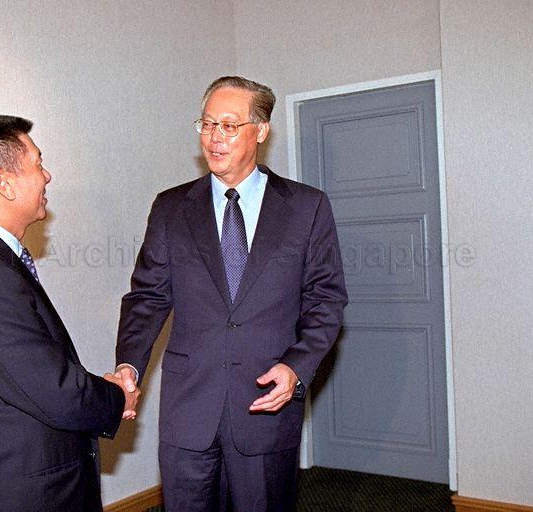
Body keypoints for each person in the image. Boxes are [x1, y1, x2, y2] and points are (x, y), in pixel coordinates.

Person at [114, 76, 347, 511]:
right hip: (189, 408)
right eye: (206, 124)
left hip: (264, 408)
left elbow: (326, 300)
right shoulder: (171, 208)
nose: (214, 137)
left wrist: (296, 368)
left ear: (260, 130)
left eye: (228, 125)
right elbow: (147, 297)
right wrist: (129, 363)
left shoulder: (306, 207)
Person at [0, 115, 138, 512]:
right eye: (38, 164)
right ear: (4, 183)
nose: (48, 175)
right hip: (24, 494)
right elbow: (52, 389)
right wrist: (115, 394)